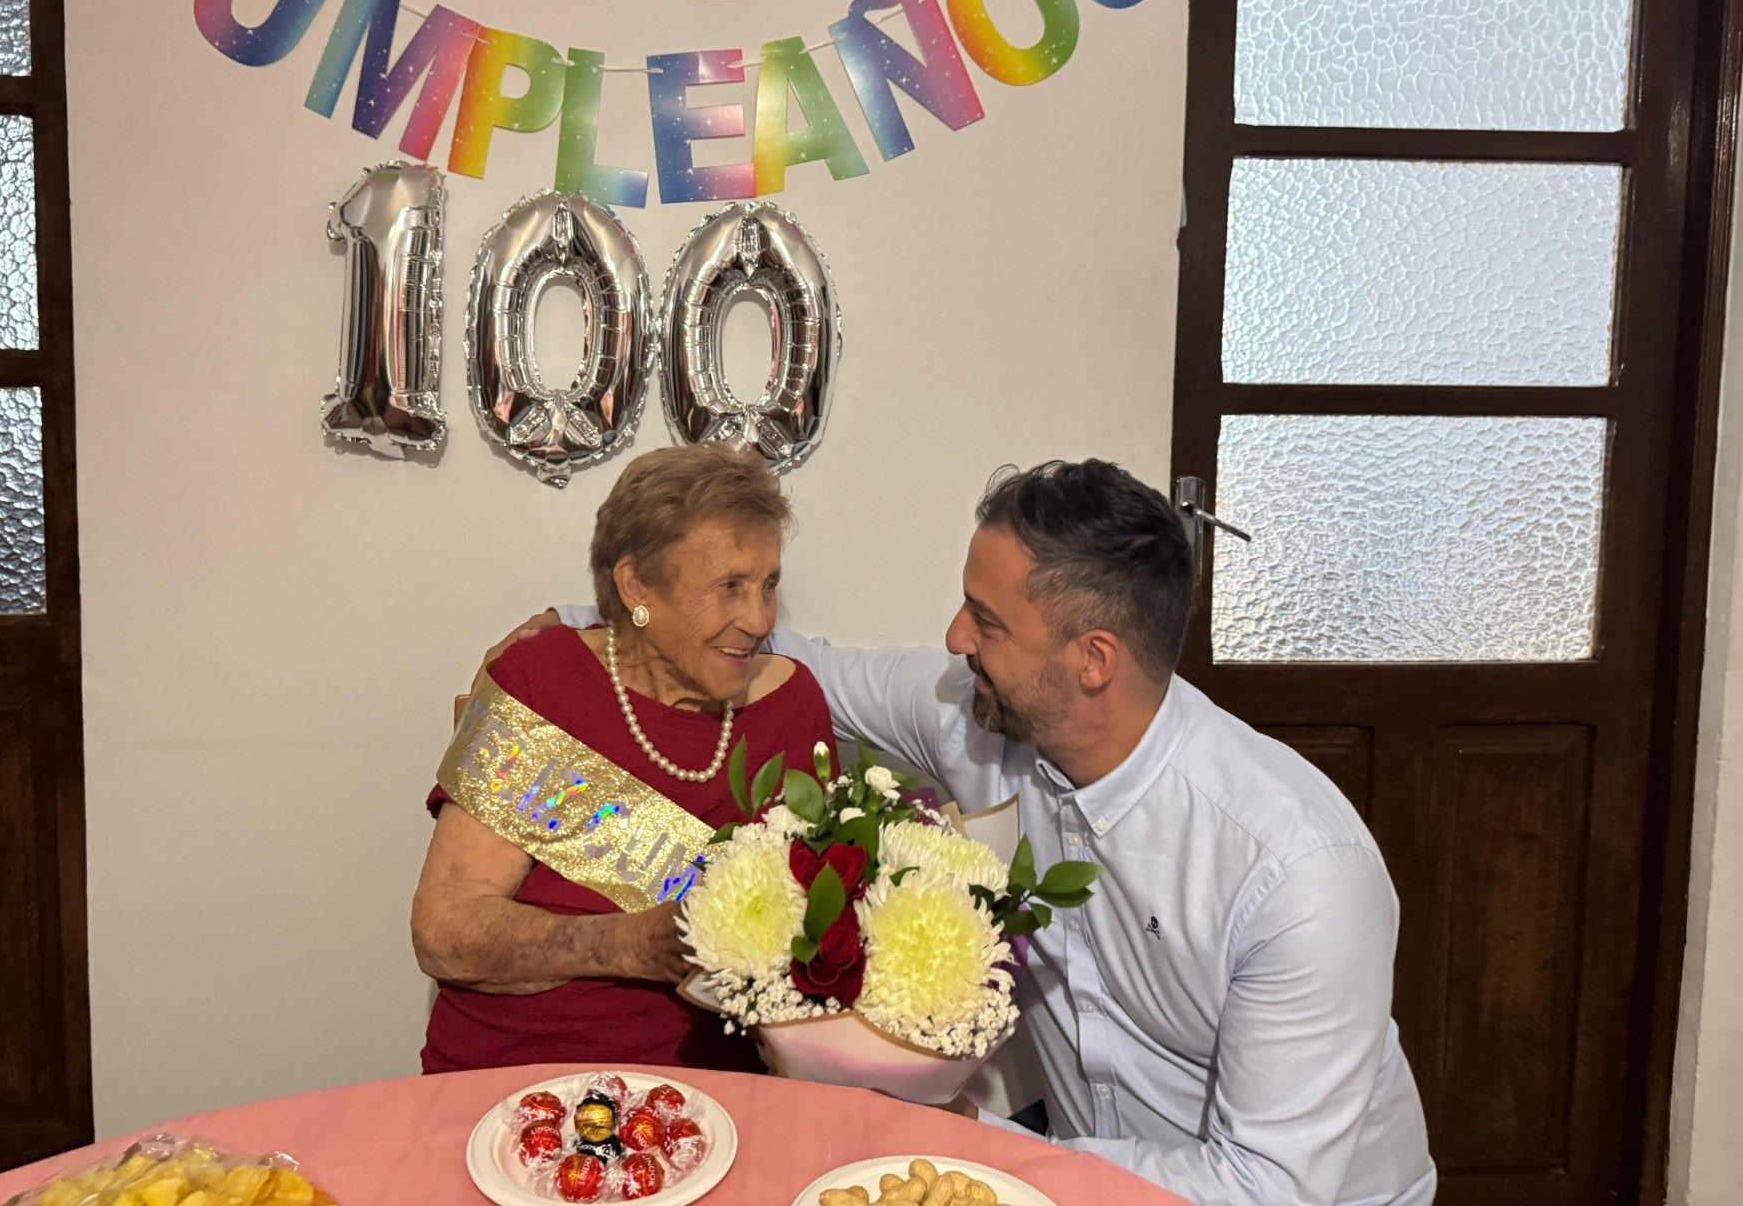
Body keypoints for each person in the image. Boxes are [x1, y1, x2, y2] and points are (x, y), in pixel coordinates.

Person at [522, 459, 1435, 1206]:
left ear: (1093, 662)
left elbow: (1269, 1188)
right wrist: (581, 633)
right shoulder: (979, 713)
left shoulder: (1298, 870)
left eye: (987, 621)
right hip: (1069, 1169)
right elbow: (815, 668)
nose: (955, 637)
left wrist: (967, 1141)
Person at [411, 443, 836, 1074]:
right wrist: (631, 945)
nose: (757, 619)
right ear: (637, 584)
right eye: (730, 588)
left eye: (768, 585)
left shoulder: (793, 706)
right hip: (515, 1073)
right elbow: (445, 932)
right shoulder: (540, 679)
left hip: (712, 1090)